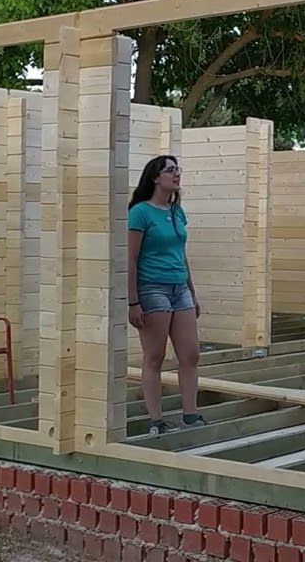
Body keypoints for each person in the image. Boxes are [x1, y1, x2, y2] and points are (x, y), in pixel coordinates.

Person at [128, 154, 205, 437]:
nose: (176, 174)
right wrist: (133, 301)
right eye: (170, 170)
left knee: (190, 354)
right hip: (152, 289)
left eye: (177, 169)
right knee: (155, 356)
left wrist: (192, 292)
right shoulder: (140, 213)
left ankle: (190, 415)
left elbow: (181, 255)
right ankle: (156, 420)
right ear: (155, 178)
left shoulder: (177, 212)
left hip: (179, 288)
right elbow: (131, 258)